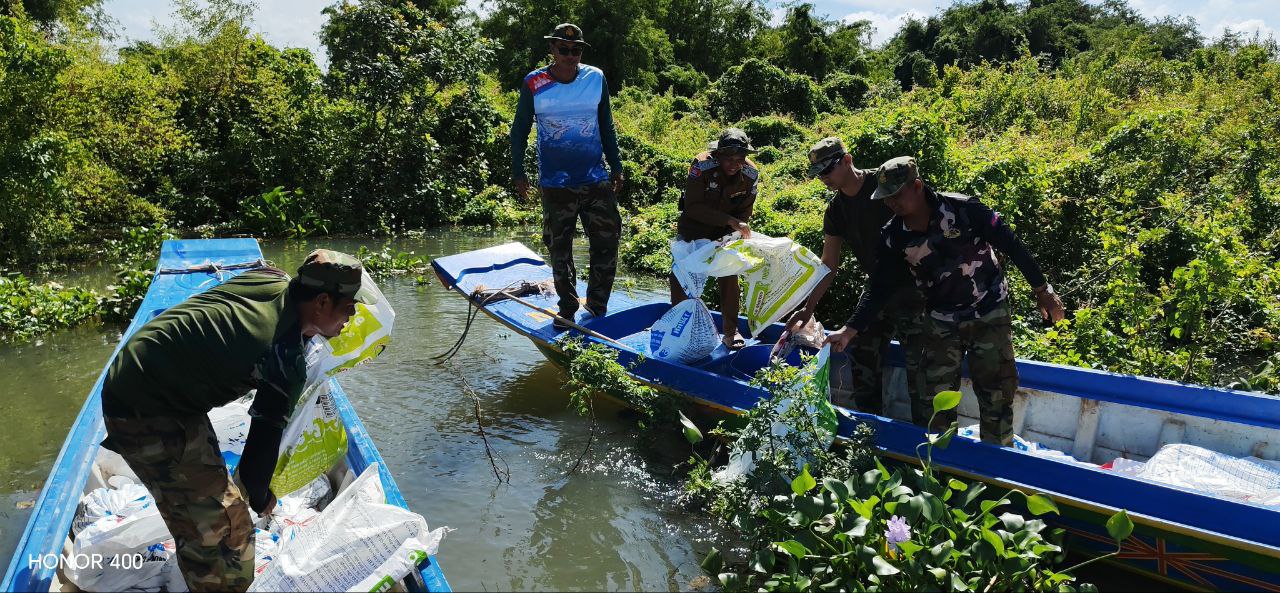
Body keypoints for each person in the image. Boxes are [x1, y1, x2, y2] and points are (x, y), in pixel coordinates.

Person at [100, 249, 375, 592]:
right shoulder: (282, 356)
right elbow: (259, 455)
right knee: (227, 532)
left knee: (213, 493)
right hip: (144, 406)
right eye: (348, 307)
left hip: (145, 366)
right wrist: (262, 498)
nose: (352, 316)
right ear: (321, 302)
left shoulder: (272, 279)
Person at [826, 156, 1066, 445]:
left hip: (988, 312)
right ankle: (939, 464)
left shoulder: (965, 209)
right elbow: (880, 287)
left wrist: (1043, 291)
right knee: (935, 400)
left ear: (917, 186)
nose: (891, 204)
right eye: (886, 198)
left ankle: (996, 463)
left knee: (996, 394)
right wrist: (850, 330)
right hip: (940, 319)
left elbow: (1012, 245)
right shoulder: (893, 236)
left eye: (896, 195)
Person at [785, 138, 929, 421]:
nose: (824, 178)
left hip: (915, 289)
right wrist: (808, 308)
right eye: (818, 174)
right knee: (861, 354)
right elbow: (829, 264)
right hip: (876, 290)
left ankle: (926, 439)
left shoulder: (884, 185)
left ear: (848, 160)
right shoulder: (836, 210)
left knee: (921, 368)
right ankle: (868, 429)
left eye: (828, 170)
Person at [510, 23, 624, 329]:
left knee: (607, 241)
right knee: (560, 250)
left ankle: (597, 306)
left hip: (595, 179)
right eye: (563, 49)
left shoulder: (595, 78)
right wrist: (518, 172)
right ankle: (568, 307)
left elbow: (606, 125)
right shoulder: (535, 82)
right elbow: (519, 130)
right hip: (556, 184)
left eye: (576, 50)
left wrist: (616, 166)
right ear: (552, 49)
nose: (570, 55)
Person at [672, 128, 760, 349]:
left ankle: (731, 332)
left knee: (729, 274)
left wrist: (736, 230)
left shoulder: (751, 174)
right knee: (683, 276)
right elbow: (692, 207)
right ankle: (679, 330)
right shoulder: (702, 166)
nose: (734, 164)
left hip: (726, 232)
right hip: (694, 228)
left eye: (739, 159)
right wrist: (730, 220)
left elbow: (745, 211)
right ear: (718, 155)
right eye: (728, 159)